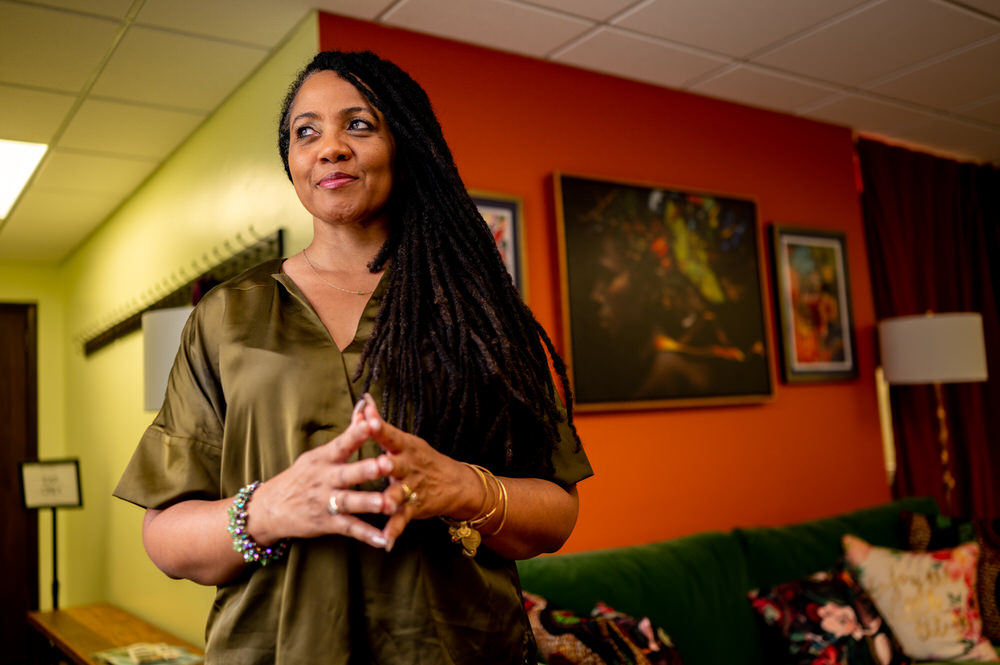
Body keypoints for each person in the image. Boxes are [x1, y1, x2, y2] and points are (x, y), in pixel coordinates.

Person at [113, 50, 592, 664]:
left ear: (405, 145)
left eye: (358, 125)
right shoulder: (226, 316)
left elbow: (555, 515)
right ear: (291, 162)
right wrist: (270, 508)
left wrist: (463, 487)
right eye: (305, 132)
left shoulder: (479, 313)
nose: (329, 147)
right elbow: (165, 538)